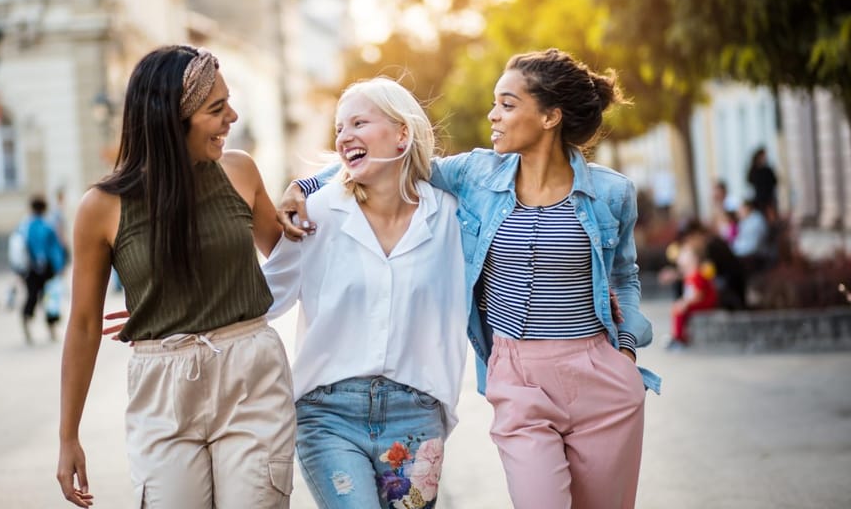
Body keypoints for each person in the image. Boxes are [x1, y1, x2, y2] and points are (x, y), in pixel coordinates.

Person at [281, 48, 659, 509]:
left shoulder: (611, 192)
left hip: (600, 375)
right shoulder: (477, 175)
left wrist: (626, 349)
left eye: (507, 103)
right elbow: (390, 159)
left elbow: (624, 274)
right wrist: (305, 186)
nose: (491, 114)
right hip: (517, 380)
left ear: (549, 117)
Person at [57, 45, 295, 508]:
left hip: (251, 378)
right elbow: (84, 324)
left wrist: (305, 190)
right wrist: (68, 437)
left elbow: (294, 260)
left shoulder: (240, 172)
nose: (233, 117)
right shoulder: (101, 208)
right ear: (171, 118)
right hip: (161, 392)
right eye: (216, 108)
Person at [262, 78, 467, 508]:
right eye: (339, 128)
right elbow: (261, 296)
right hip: (328, 414)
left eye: (358, 122)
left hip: (417, 416)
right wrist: (178, 313)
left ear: (402, 133)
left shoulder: (449, 217)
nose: (344, 137)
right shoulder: (316, 214)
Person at [18, 195, 68, 343]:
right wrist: (60, 267)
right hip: (48, 270)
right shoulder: (48, 225)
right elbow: (55, 249)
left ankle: (27, 325)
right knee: (50, 298)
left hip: (30, 269)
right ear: (45, 208)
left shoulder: (25, 225)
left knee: (32, 297)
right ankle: (51, 330)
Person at [667, 235, 719, 349]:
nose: (681, 257)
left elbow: (698, 294)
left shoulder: (696, 275)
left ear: (694, 258)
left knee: (679, 309)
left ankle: (679, 338)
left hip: (704, 303)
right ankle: (677, 336)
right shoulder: (690, 274)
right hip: (697, 302)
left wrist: (685, 302)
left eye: (685, 254)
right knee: (678, 308)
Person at [746, 146, 778, 221]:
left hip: (768, 198)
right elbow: (749, 180)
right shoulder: (754, 170)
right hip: (759, 199)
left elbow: (774, 182)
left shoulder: (767, 170)